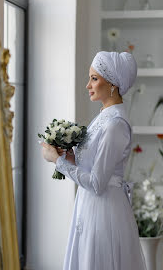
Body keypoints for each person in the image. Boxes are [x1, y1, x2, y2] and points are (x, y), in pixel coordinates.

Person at [40, 51, 147, 270]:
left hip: (104, 210)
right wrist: (69, 156)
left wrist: (58, 162)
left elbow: (98, 183)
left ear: (113, 84)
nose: (88, 85)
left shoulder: (115, 124)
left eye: (94, 78)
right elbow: (93, 164)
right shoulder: (103, 117)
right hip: (90, 206)